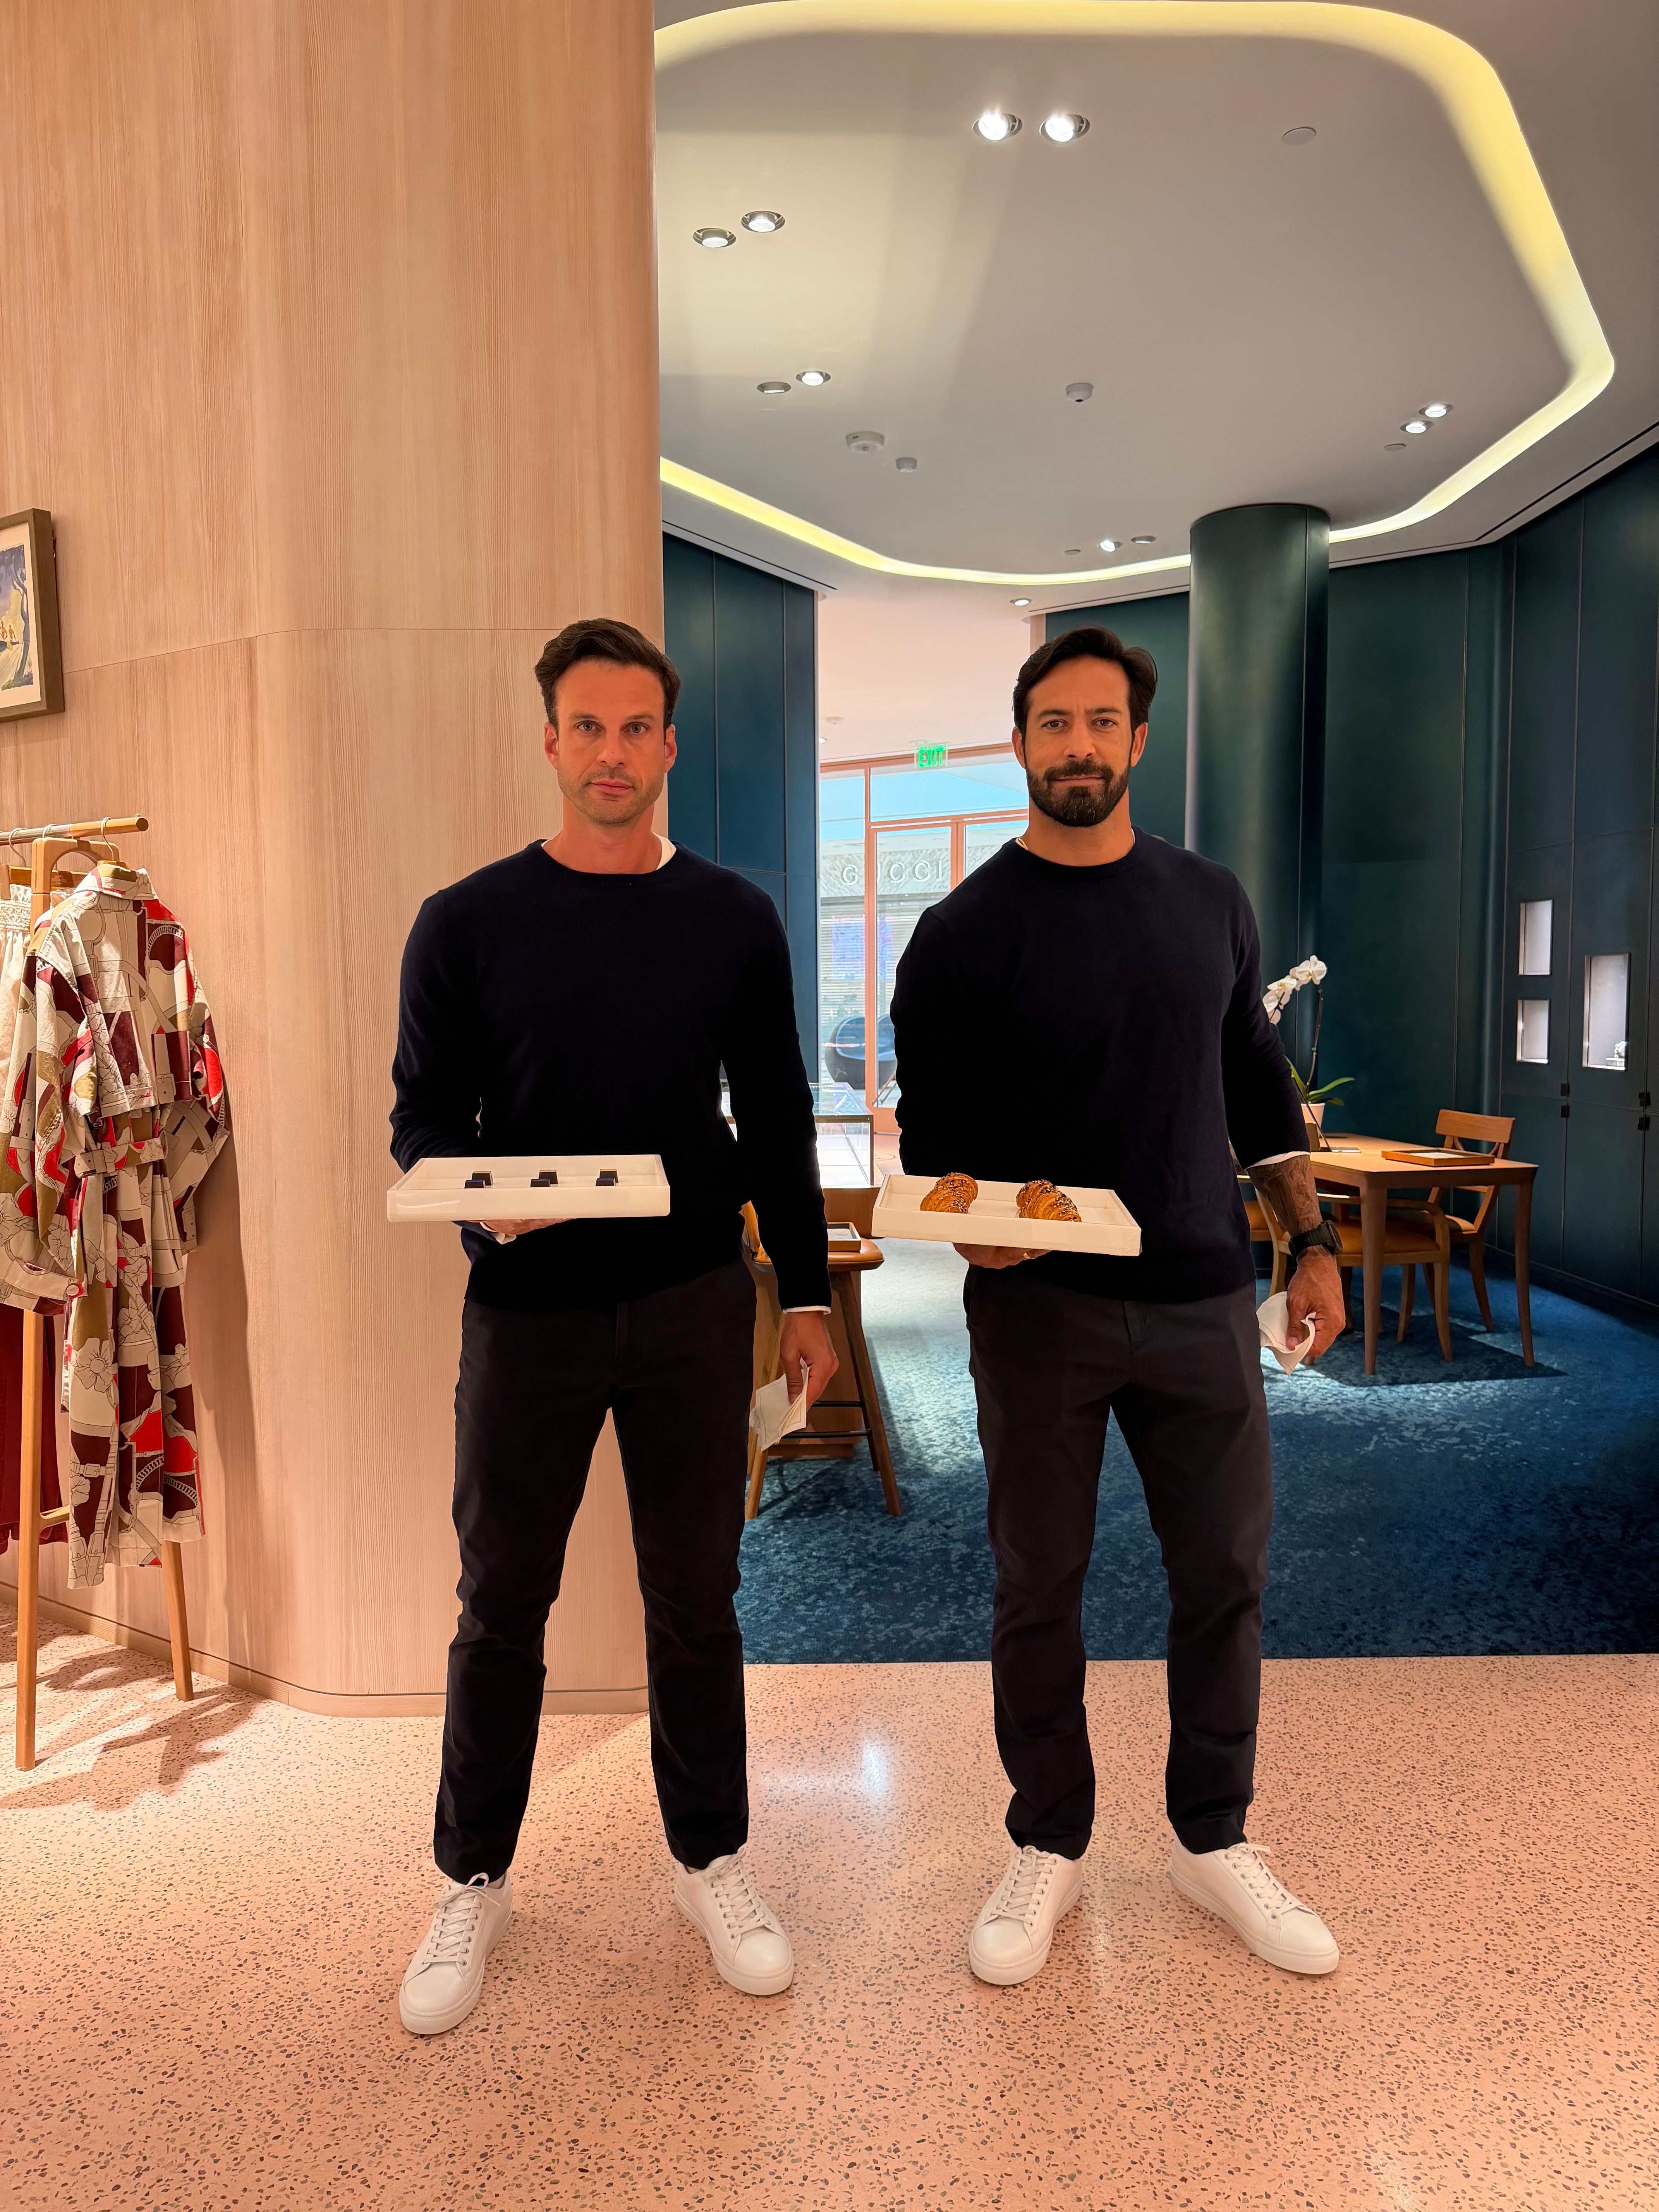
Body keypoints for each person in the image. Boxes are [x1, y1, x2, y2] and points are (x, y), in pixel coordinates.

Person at [390, 617, 837, 2033]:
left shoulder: (731, 918)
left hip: (697, 1299)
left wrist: (808, 1297)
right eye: (586, 727)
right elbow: (421, 1127)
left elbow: (776, 1120)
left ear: (667, 746)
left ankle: (712, 1859)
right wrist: (478, 1211)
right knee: (498, 1601)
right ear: (548, 738)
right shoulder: (464, 922)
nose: (610, 754)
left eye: (635, 729)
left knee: (695, 1599)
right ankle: (474, 1875)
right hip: (524, 1313)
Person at [890, 625, 1347, 1987]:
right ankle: (1048, 1840)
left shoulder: (1208, 901)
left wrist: (1308, 1238)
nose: (1077, 746)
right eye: (1053, 724)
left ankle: (1213, 1837)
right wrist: (976, 1234)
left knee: (1223, 1577)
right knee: (1040, 1583)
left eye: (1102, 724)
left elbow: (1258, 1091)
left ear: (1138, 742)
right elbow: (936, 1147)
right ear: (1019, 743)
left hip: (1205, 1299)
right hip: (1040, 1317)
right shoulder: (960, 933)